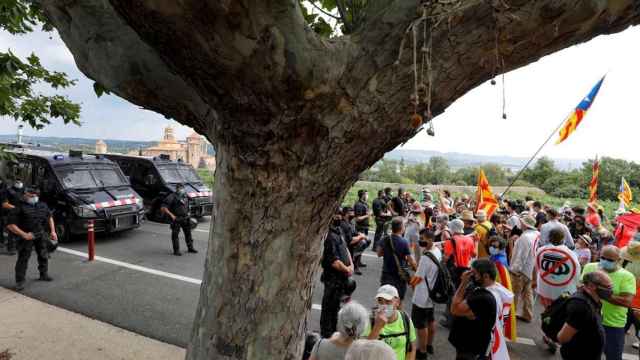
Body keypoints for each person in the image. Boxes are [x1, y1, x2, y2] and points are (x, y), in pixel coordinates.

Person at [582, 245, 636, 360]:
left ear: (619, 260)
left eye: (610, 260)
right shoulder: (589, 267)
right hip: (588, 320)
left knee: (613, 356)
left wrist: (600, 293)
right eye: (603, 258)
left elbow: (627, 302)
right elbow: (580, 288)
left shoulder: (627, 276)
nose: (605, 261)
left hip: (613, 324)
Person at [6, 187, 58, 291]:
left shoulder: (42, 205)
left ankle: (43, 274)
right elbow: (10, 225)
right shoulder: (19, 207)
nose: (34, 198)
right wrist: (24, 234)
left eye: (35, 196)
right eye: (31, 196)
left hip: (40, 233)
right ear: (25, 195)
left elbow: (49, 217)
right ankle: (20, 281)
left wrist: (53, 231)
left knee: (44, 254)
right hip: (26, 235)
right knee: (23, 258)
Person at [449, 259, 498, 360]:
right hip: (473, 345)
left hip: (470, 348)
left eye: (474, 274)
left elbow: (454, 309)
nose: (471, 276)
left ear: (486, 276)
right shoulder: (489, 288)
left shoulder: (483, 296)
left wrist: (463, 283)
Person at [557, 270, 612, 360]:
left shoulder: (594, 300)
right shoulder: (581, 307)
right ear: (591, 286)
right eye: (608, 287)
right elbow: (562, 337)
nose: (611, 291)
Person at [320, 208, 354, 338]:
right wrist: (347, 269)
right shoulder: (328, 236)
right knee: (329, 309)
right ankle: (327, 335)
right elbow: (333, 261)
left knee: (336, 308)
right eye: (336, 215)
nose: (339, 217)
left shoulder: (338, 231)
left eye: (340, 214)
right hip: (332, 279)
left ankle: (334, 332)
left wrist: (351, 265)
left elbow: (345, 248)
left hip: (342, 279)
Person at [410, 229, 440, 359]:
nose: (420, 241)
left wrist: (410, 282)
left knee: (421, 325)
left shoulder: (426, 257)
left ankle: (421, 352)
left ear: (430, 239)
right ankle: (429, 345)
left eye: (423, 239)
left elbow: (418, 278)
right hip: (432, 293)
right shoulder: (437, 251)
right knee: (431, 320)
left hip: (422, 296)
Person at [366, 285, 417, 360]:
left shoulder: (405, 319)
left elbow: (412, 348)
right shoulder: (370, 320)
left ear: (397, 302)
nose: (383, 305)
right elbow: (365, 351)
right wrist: (377, 327)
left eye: (388, 301)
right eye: (380, 301)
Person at [378, 217, 417, 300]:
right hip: (399, 277)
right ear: (402, 228)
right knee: (397, 301)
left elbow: (379, 254)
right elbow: (411, 261)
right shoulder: (404, 242)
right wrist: (417, 269)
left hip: (386, 274)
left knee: (384, 299)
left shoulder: (385, 239)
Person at [510, 215, 538, 323]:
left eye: (521, 222)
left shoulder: (525, 237)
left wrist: (515, 270)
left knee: (514, 294)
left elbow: (521, 256)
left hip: (521, 271)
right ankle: (527, 314)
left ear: (525, 225)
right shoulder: (535, 234)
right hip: (530, 269)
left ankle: (511, 315)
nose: (520, 224)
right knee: (528, 293)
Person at [160, 183, 197, 255]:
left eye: (183, 188)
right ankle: (176, 250)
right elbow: (163, 207)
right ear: (177, 189)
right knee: (175, 235)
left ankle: (190, 248)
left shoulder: (185, 196)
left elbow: (189, 203)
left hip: (185, 217)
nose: (182, 190)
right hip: (177, 218)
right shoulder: (172, 196)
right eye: (180, 188)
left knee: (188, 234)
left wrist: (189, 212)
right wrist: (172, 215)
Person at [341, 207, 368, 276]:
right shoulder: (344, 224)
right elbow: (350, 241)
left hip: (350, 242)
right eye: (352, 212)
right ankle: (353, 264)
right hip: (346, 245)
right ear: (347, 214)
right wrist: (360, 237)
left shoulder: (350, 222)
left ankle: (356, 263)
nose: (353, 214)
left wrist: (359, 234)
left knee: (365, 241)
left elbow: (354, 232)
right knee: (361, 242)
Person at [2, 180, 25, 255]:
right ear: (15, 183)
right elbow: (4, 204)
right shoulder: (9, 191)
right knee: (12, 231)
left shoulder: (24, 190)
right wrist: (15, 208)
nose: (19, 183)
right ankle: (11, 248)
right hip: (12, 213)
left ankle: (19, 246)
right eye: (17, 182)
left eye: (20, 181)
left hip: (23, 213)